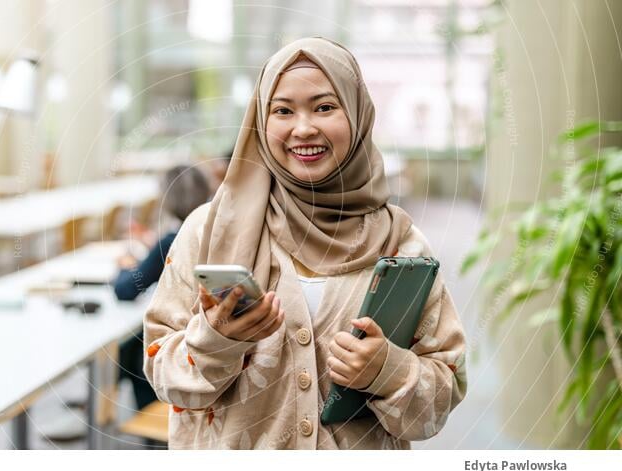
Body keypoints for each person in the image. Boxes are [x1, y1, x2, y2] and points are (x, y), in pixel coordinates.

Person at [142, 37, 467, 449]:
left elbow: (442, 395)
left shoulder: (402, 243)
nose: (303, 128)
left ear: (357, 114)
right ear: (261, 121)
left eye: (325, 107)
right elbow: (160, 372)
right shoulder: (207, 230)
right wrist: (216, 340)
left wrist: (389, 371)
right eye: (282, 110)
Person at [114, 165, 211, 410]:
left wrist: (124, 268)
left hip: (179, 352)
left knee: (128, 350)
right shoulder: (210, 232)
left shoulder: (171, 241)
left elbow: (125, 290)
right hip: (201, 341)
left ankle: (144, 421)